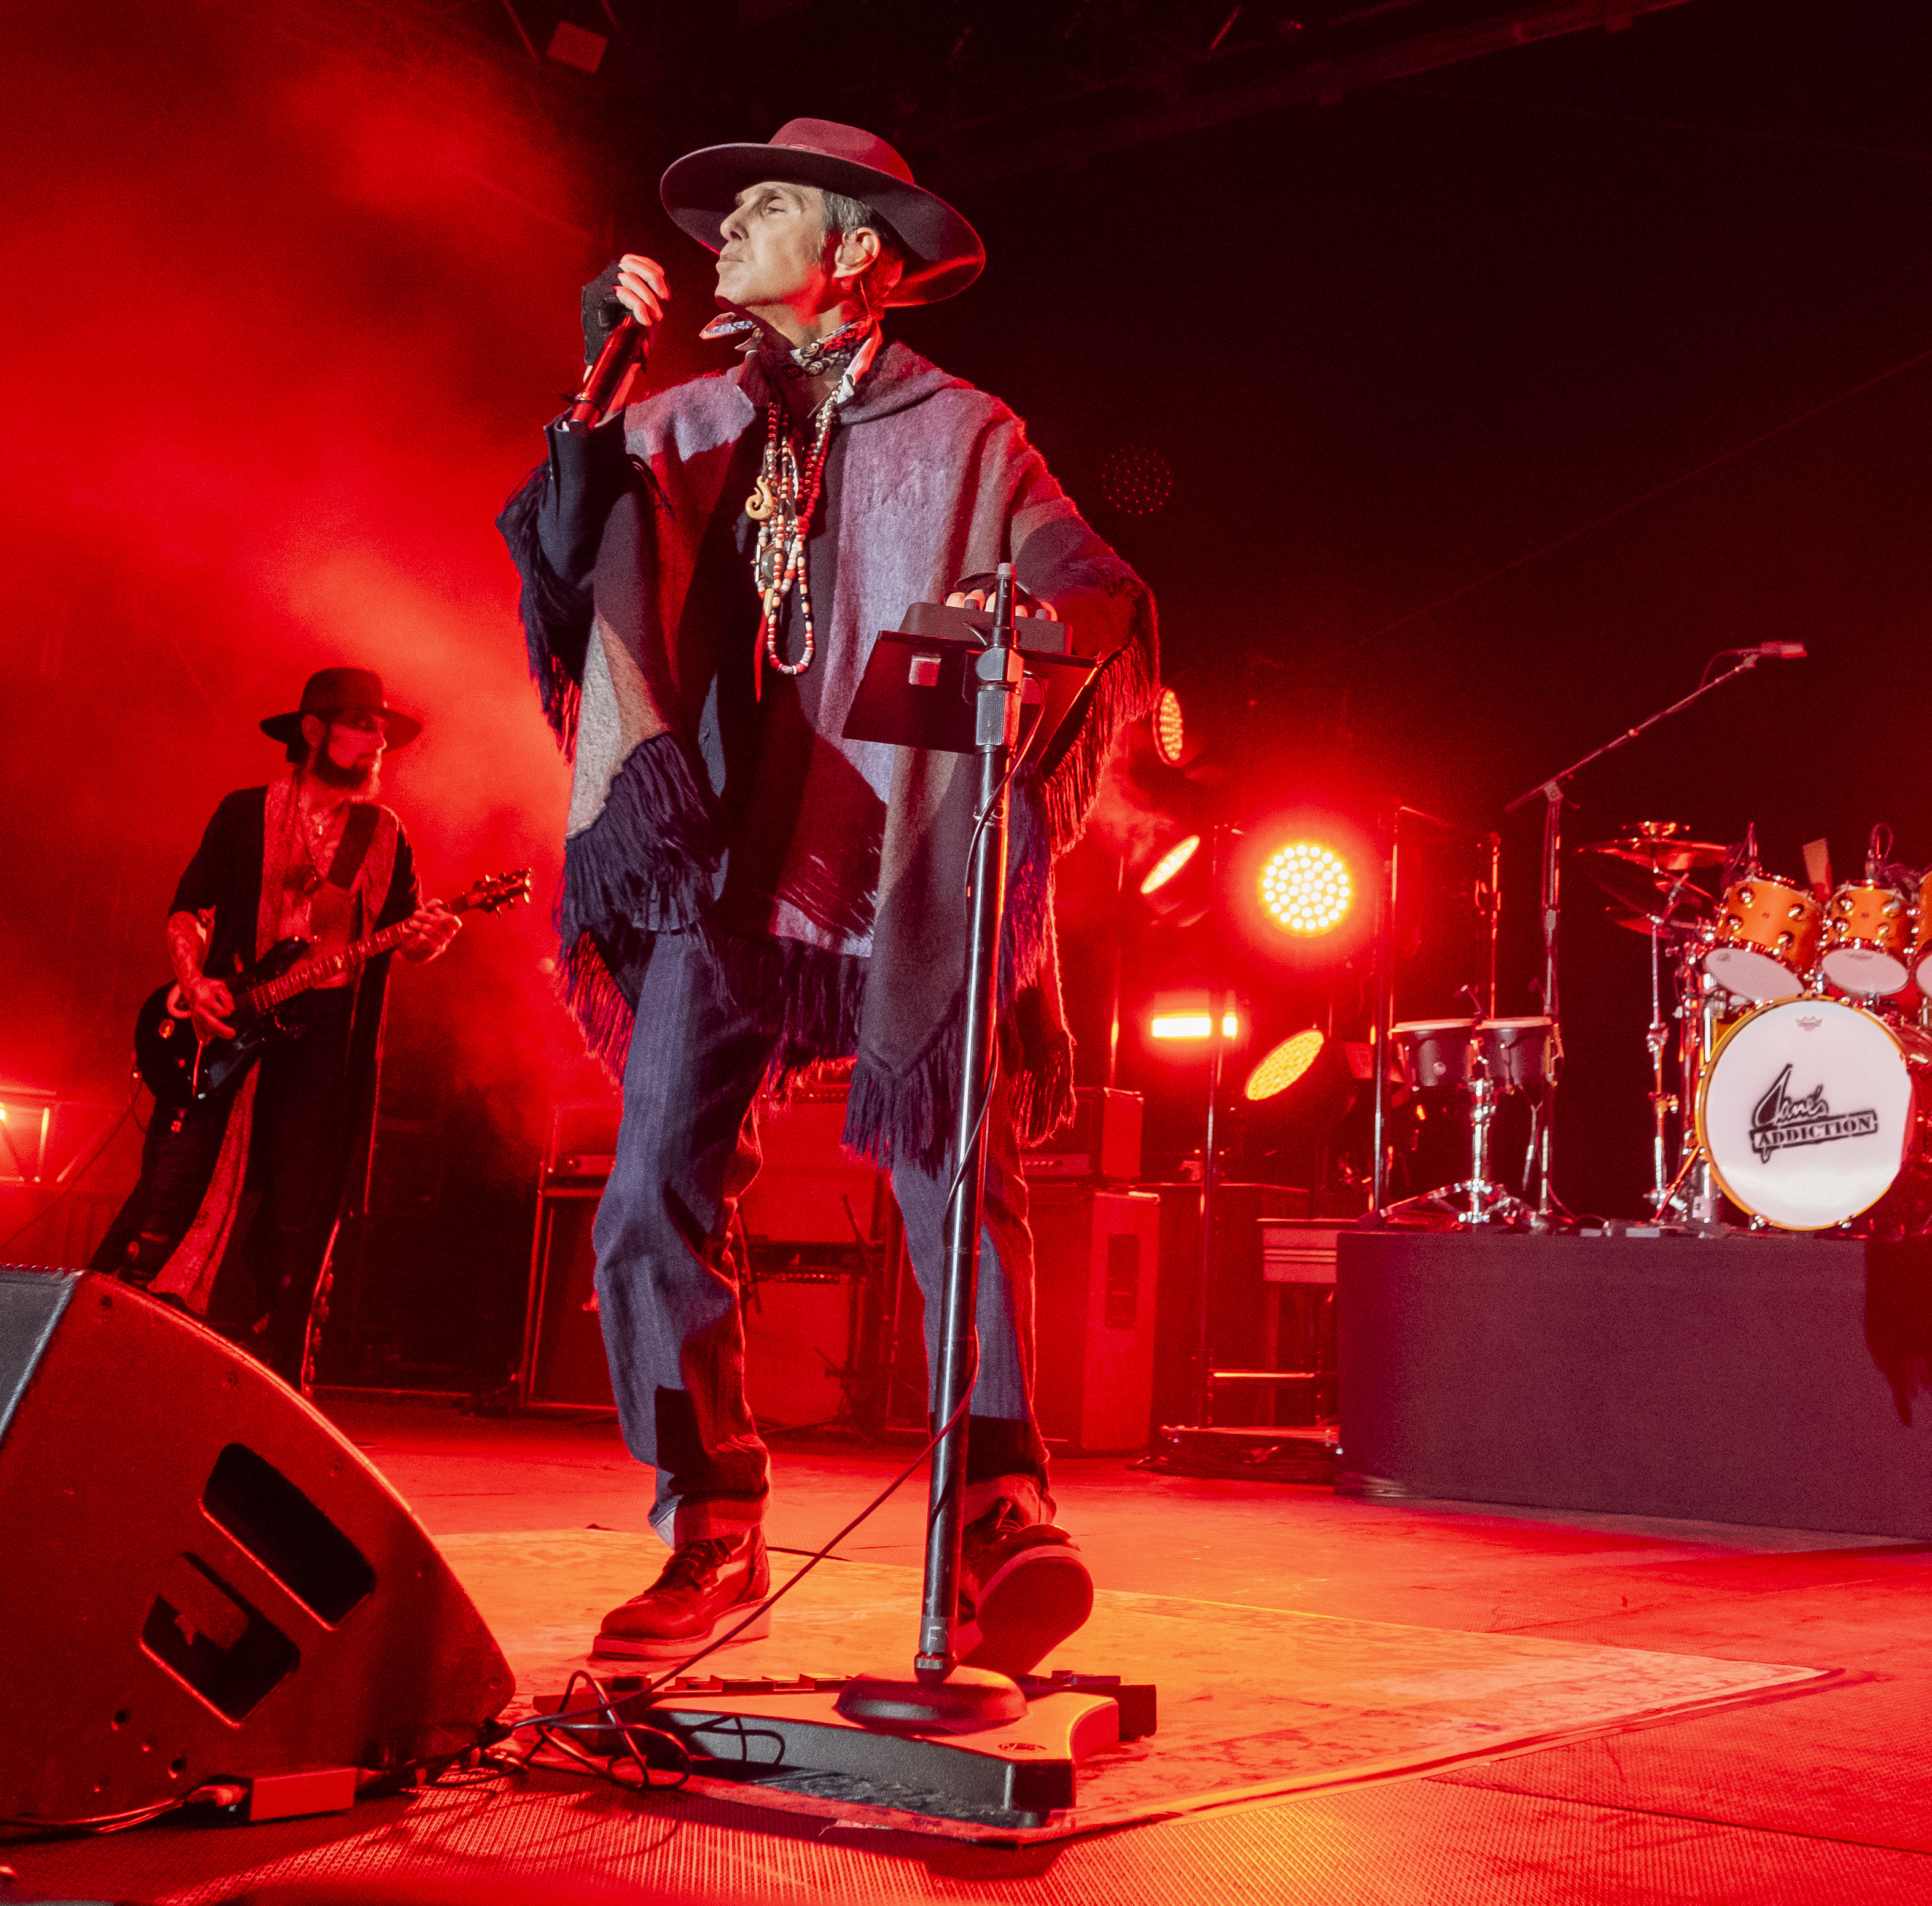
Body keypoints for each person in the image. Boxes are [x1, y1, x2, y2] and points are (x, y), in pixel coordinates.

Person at [501, 119, 1156, 1670]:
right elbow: (558, 574)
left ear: (859, 255)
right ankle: (709, 1522)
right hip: (719, 856)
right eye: (726, 209)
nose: (728, 226)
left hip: (898, 857)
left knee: (957, 1173)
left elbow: (1096, 585)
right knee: (653, 1184)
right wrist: (583, 409)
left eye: (768, 207)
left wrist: (1025, 621)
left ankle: (998, 1508)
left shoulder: (969, 433)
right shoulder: (673, 419)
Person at [88, 667, 460, 1385]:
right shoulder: (243, 814)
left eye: (381, 729)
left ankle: (278, 1361)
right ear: (314, 732)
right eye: (361, 723)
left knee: (300, 1201)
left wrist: (433, 934)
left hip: (323, 1038)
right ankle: (130, 1338)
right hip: (234, 1018)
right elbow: (189, 908)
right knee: (179, 1180)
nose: (377, 739)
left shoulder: (383, 836)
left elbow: (402, 937)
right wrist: (195, 985)